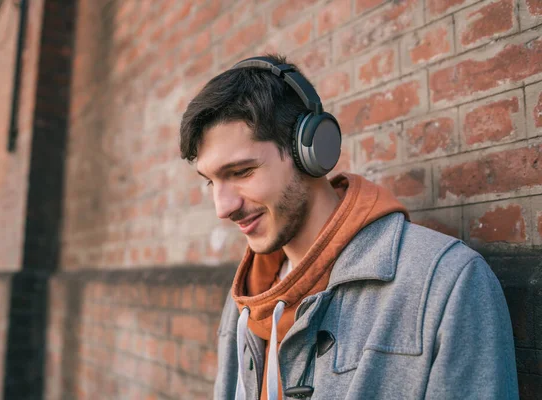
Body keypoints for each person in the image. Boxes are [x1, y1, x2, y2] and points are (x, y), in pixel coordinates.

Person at [178, 54, 518, 400]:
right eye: (210, 182)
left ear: (309, 152)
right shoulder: (246, 299)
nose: (223, 207)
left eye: (241, 172)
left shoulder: (445, 282)